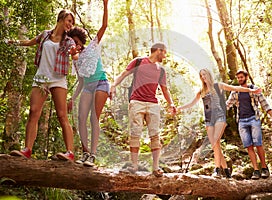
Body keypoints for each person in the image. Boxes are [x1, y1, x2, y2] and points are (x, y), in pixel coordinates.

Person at [9, 10, 77, 161]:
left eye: (72, 22)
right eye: (69, 20)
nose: (70, 24)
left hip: (58, 79)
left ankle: (70, 153)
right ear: (61, 19)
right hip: (41, 77)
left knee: (62, 115)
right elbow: (29, 42)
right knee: (33, 111)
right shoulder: (45, 35)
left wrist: (74, 53)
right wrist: (13, 42)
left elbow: (75, 54)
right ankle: (27, 150)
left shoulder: (69, 41)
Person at [178, 68, 262, 179]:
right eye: (201, 76)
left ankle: (217, 170)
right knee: (215, 145)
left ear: (209, 75)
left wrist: (250, 91)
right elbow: (192, 103)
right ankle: (227, 172)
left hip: (219, 117)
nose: (203, 77)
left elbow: (235, 88)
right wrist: (179, 108)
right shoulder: (201, 91)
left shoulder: (218, 85)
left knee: (216, 141)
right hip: (208, 120)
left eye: (205, 75)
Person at [110, 42, 176, 177]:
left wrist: (171, 104)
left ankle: (156, 168)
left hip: (153, 104)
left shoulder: (161, 70)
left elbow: (164, 89)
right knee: (135, 134)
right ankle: (134, 166)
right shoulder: (138, 62)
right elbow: (124, 74)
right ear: (158, 50)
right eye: (164, 52)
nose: (165, 55)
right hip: (136, 102)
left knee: (155, 135)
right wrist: (113, 85)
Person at [67, 0, 109, 167]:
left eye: (76, 42)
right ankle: (84, 153)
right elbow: (81, 81)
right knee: (80, 117)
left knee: (94, 118)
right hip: (87, 87)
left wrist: (106, 5)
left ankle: (93, 155)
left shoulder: (92, 46)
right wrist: (72, 98)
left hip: (101, 83)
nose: (75, 46)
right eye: (72, 43)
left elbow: (104, 26)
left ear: (81, 41)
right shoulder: (75, 60)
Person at [226, 70, 272, 180]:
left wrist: (271, 115)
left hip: (254, 119)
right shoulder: (235, 92)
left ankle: (264, 168)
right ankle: (256, 170)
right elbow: (228, 105)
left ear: (246, 77)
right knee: (248, 146)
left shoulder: (254, 89)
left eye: (241, 77)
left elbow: (264, 102)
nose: (240, 79)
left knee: (258, 144)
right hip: (242, 121)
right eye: (238, 78)